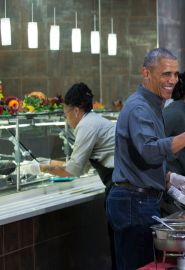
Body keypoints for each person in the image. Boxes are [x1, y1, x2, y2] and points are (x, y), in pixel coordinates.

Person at [106, 48, 185, 269]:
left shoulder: (154, 104)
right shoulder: (139, 107)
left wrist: (167, 178)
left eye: (175, 74)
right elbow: (149, 150)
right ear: (146, 73)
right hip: (133, 201)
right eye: (165, 74)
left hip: (142, 198)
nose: (172, 80)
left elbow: (141, 159)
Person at [38, 82, 117, 269]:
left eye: (66, 114)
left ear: (75, 110)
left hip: (119, 187)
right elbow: (81, 164)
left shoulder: (86, 125)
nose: (67, 120)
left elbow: (74, 170)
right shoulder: (95, 120)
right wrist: (50, 164)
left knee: (119, 250)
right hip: (119, 184)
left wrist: (42, 168)